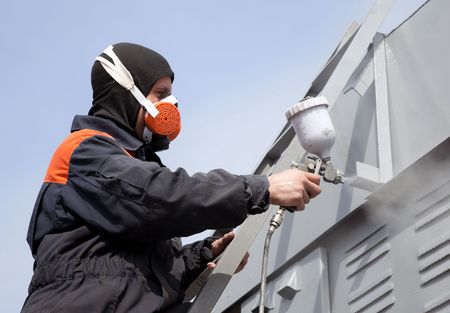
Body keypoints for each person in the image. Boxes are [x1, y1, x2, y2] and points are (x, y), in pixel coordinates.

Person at [21, 42, 321, 313]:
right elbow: (158, 196)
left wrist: (202, 255)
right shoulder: (85, 151)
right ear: (126, 95)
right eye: (160, 94)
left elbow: (133, 271)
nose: (171, 105)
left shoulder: (128, 162)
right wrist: (262, 188)